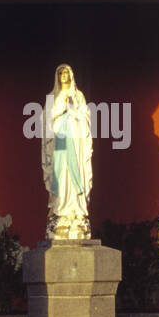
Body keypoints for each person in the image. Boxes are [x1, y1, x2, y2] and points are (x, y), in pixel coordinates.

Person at [42, 63, 93, 240]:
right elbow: (46, 123)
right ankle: (60, 211)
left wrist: (73, 109)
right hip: (59, 144)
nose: (64, 75)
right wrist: (59, 109)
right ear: (57, 76)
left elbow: (85, 118)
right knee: (61, 174)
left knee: (75, 174)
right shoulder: (51, 97)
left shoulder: (78, 95)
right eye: (60, 72)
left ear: (71, 75)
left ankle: (77, 213)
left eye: (66, 72)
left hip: (75, 142)